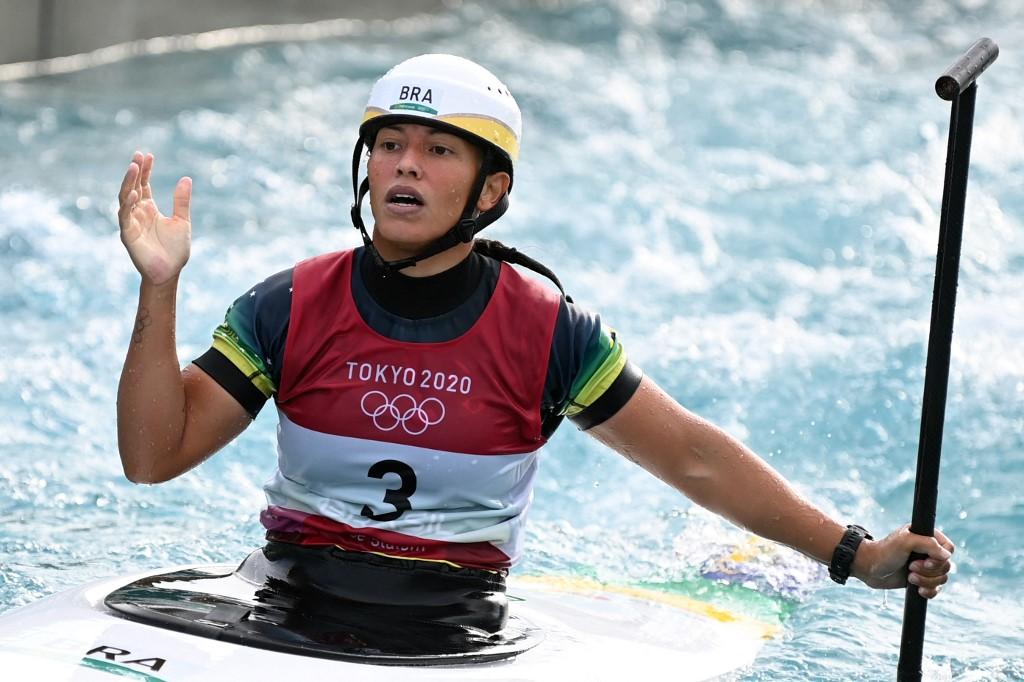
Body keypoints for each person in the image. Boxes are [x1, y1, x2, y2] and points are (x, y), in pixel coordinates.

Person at [116, 54, 953, 645]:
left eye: (438, 149)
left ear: (492, 190)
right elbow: (152, 458)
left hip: (455, 623)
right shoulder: (291, 304)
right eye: (389, 144)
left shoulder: (548, 330)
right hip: (284, 596)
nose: (405, 166)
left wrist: (856, 554)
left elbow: (692, 457)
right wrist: (160, 286)